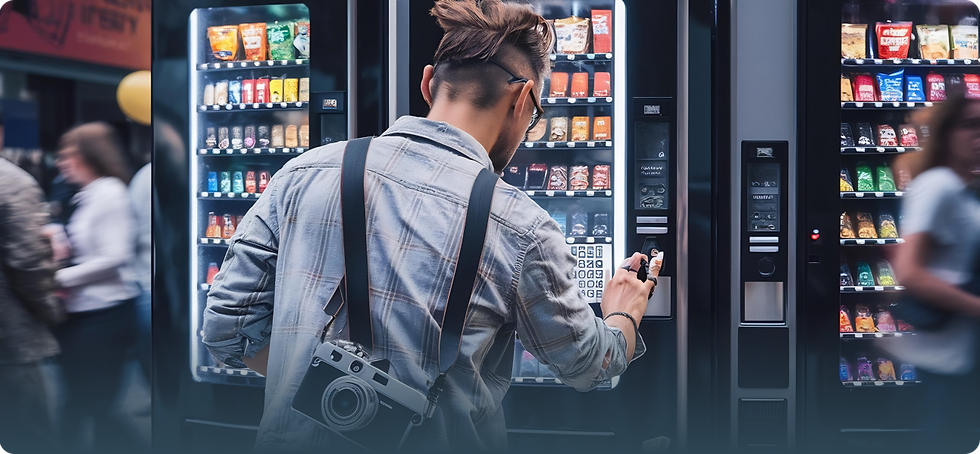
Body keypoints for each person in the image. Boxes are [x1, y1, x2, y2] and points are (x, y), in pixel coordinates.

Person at [202, 1, 662, 452]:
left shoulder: (302, 174)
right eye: (535, 114)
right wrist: (623, 311)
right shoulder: (522, 227)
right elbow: (588, 363)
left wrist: (324, 383)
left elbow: (226, 328)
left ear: (427, 83)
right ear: (522, 100)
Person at [886, 94, 980, 452]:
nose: (979, 135)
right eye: (971, 125)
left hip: (960, 349)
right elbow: (909, 271)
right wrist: (976, 307)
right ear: (947, 133)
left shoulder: (961, 186)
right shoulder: (938, 185)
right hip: (944, 352)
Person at [53, 122, 141, 454]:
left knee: (90, 403)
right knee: (82, 401)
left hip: (104, 316)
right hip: (83, 316)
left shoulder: (109, 194)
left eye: (68, 155)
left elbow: (114, 257)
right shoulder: (85, 194)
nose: (62, 163)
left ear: (90, 155)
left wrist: (59, 278)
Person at [0, 114, 66, 454]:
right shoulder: (11, 182)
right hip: (9, 338)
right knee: (27, 435)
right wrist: (51, 309)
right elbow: (27, 260)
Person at [129, 161, 152, 383]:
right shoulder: (146, 176)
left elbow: (131, 227)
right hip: (149, 280)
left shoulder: (145, 175)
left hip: (148, 279)